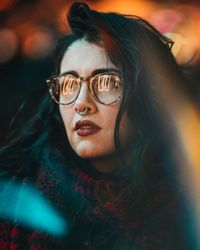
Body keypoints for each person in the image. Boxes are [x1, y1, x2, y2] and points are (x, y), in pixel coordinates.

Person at [0, 2, 196, 250]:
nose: (82, 104)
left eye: (106, 82)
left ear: (148, 94)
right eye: (69, 84)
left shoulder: (188, 205)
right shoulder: (15, 201)